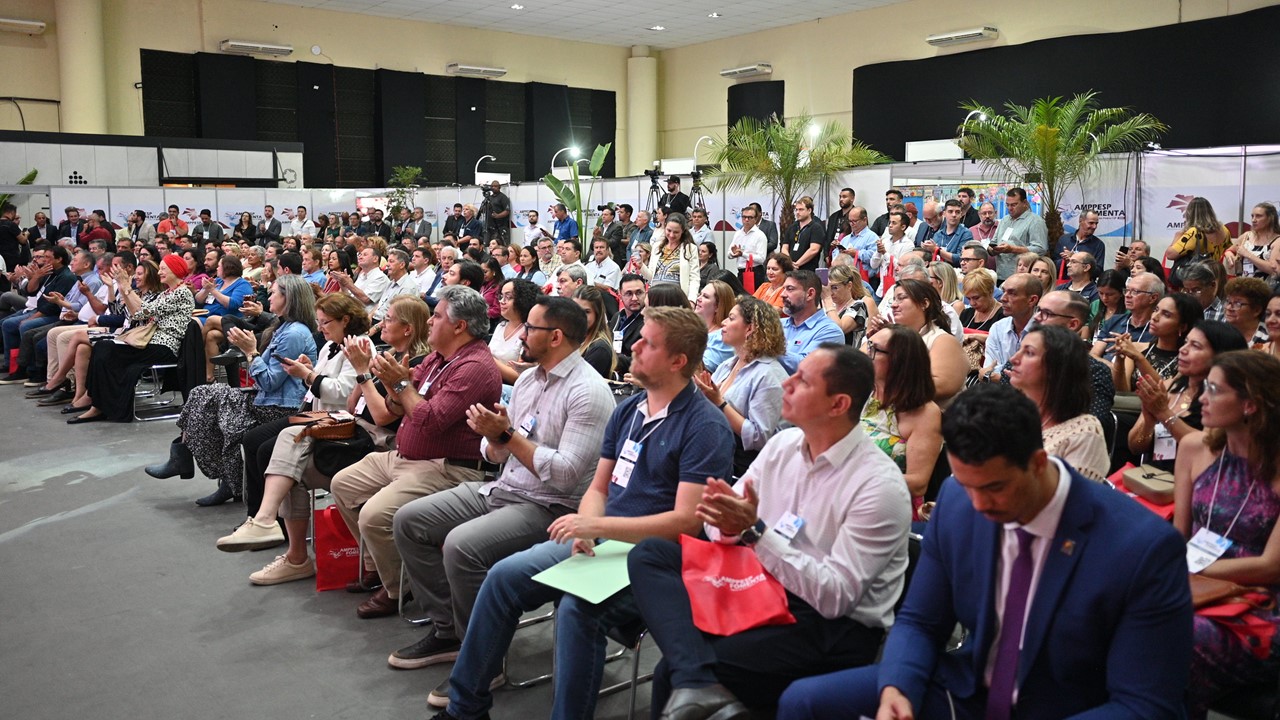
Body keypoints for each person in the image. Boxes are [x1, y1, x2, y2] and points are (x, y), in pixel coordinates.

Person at [778, 382, 1194, 720]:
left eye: (994, 487)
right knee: (805, 702)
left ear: (1038, 463)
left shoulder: (1142, 547)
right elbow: (921, 621)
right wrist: (898, 689)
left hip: (1066, 708)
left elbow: (1144, 705)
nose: (978, 504)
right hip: (969, 687)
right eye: (966, 484)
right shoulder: (959, 503)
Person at [431, 305, 733, 720]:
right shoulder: (629, 410)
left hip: (659, 559)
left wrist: (595, 524)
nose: (635, 347)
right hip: (605, 541)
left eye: (648, 344)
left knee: (578, 610)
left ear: (678, 361)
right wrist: (587, 530)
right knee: (502, 578)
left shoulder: (705, 426)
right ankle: (466, 708)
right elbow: (598, 487)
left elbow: (687, 522)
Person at [630, 344, 910, 718]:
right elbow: (720, 520)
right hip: (761, 581)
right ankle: (696, 675)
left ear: (838, 404)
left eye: (802, 380)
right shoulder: (784, 445)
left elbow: (835, 598)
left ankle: (694, 675)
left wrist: (755, 533)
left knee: (670, 673)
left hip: (830, 625)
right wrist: (733, 528)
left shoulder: (878, 486)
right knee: (651, 555)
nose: (787, 383)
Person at [391, 297, 615, 709]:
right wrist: (495, 436)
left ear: (556, 336)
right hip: (503, 489)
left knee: (462, 546)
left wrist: (508, 437)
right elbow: (493, 452)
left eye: (529, 328)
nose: (520, 335)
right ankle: (451, 632)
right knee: (409, 521)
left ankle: (484, 659)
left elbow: (565, 475)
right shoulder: (529, 381)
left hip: (550, 506)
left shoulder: (590, 392)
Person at [329, 286, 502, 618]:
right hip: (405, 457)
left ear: (459, 326)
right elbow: (395, 410)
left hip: (446, 467)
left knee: (374, 515)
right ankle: (377, 568)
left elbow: (430, 420)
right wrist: (395, 386)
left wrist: (398, 386)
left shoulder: (474, 367)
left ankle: (398, 588)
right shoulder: (437, 358)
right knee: (343, 484)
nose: (430, 323)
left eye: (436, 316)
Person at [212, 292, 367, 564]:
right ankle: (257, 517)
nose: (320, 328)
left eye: (325, 322)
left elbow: (343, 392)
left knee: (268, 450)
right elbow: (319, 382)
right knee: (252, 439)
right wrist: (308, 371)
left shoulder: (358, 346)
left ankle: (273, 522)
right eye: (318, 321)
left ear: (346, 320)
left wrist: (307, 374)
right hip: (314, 412)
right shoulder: (330, 345)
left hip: (335, 419)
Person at [147, 275, 318, 506]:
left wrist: (251, 352)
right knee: (202, 394)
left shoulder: (294, 334)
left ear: (289, 299)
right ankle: (188, 456)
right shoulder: (284, 326)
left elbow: (269, 382)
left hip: (279, 406)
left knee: (220, 413)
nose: (269, 296)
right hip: (267, 400)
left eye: (275, 292)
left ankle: (209, 469)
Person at [1174, 351, 1280, 719]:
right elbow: (1179, 535)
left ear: (1250, 404)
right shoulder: (1194, 448)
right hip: (1193, 584)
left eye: (1214, 390)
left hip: (1262, 605)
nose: (1201, 398)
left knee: (1180, 634)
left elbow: (1271, 567)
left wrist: (1185, 570)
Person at [68, 255, 195, 424]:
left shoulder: (182, 292)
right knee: (103, 348)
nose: (160, 272)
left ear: (175, 270)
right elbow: (137, 313)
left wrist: (126, 287)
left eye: (163, 268)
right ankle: (98, 403)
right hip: (150, 342)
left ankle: (97, 404)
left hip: (164, 346)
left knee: (104, 348)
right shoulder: (167, 292)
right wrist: (124, 288)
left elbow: (146, 310)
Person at [1128, 321, 1248, 470]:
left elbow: (1208, 448)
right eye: (1185, 343)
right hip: (1151, 478)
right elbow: (1135, 447)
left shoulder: (1225, 400)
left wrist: (1163, 413)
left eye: (1195, 346)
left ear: (1221, 356)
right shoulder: (1167, 386)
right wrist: (1148, 421)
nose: (1183, 350)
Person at [692, 295, 788, 477]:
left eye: (731, 318)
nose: (723, 323)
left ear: (750, 328)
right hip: (721, 452)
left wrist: (719, 403)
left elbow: (758, 438)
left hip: (747, 469)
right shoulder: (728, 365)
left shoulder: (768, 375)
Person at [1006, 325, 1110, 481]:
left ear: (1056, 367)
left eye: (1029, 353)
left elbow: (1074, 500)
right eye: (1019, 349)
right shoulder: (1011, 413)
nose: (1013, 359)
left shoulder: (1084, 432)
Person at [861, 324, 942, 513]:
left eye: (874, 349)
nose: (865, 353)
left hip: (887, 506)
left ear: (899, 361)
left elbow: (918, 483)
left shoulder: (925, 413)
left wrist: (856, 476)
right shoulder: (861, 390)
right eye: (868, 345)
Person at [873, 277, 968, 405]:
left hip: (933, 418)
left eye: (901, 298)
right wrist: (878, 344)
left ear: (924, 304)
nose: (894, 305)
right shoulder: (892, 335)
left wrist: (884, 385)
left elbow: (942, 387)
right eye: (894, 299)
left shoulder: (943, 340)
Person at [1110, 292, 1202, 393]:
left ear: (1182, 327)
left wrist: (1139, 358)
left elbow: (1167, 394)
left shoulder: (1186, 360)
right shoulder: (1137, 348)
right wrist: (1119, 359)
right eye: (1156, 310)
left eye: (1166, 314)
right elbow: (1122, 392)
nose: (1154, 317)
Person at [779, 270, 844, 374]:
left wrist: (769, 348)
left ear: (810, 294)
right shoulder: (778, 324)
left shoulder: (830, 331)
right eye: (783, 289)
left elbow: (807, 366)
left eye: (790, 289)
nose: (782, 295)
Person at [1091, 270, 1162, 363]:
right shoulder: (1114, 320)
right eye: (1127, 290)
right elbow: (1093, 355)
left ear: (1153, 298)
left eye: (1135, 292)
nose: (1127, 295)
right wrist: (1112, 368)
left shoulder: (1158, 330)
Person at [991, 187, 1049, 282]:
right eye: (1007, 205)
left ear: (1025, 203)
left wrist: (1013, 249)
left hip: (1022, 278)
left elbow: (1041, 249)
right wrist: (992, 249)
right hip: (1000, 274)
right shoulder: (1004, 220)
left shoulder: (1035, 221)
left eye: (1014, 205)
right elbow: (994, 241)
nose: (1010, 208)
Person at [489, 278, 539, 386]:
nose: (502, 301)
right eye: (501, 296)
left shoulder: (529, 332)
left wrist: (487, 358)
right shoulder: (501, 326)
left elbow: (518, 377)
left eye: (508, 297)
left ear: (522, 300)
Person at [645, 212, 700, 301]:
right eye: (669, 230)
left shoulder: (690, 248)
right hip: (655, 296)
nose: (671, 235)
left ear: (683, 231)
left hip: (677, 298)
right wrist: (641, 266)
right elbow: (651, 276)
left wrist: (692, 300)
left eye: (676, 232)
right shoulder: (657, 246)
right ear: (665, 227)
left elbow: (694, 278)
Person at [1164, 196, 1232, 267]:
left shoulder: (1194, 232)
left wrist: (1177, 236)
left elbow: (1170, 255)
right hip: (1216, 272)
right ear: (1210, 211)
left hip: (1198, 274)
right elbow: (1230, 249)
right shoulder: (1224, 229)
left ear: (1190, 214)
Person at [1224, 203, 1280, 279]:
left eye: (1259, 216)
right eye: (1252, 216)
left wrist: (1247, 254)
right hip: (1244, 285)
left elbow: (1274, 270)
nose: (1253, 220)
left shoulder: (1277, 241)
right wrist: (1229, 255)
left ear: (1270, 218)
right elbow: (1229, 250)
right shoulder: (1247, 236)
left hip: (1265, 288)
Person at [825, 263, 876, 347]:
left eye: (835, 287)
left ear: (849, 286)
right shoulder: (828, 306)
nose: (830, 293)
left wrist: (827, 299)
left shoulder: (858, 306)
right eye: (828, 288)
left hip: (848, 357)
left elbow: (838, 330)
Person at [571, 285, 615, 379]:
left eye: (586, 312)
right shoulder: (572, 339)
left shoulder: (599, 348)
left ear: (597, 314)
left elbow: (578, 383)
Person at [694, 280, 735, 371]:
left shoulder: (723, 336)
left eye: (705, 296)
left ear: (717, 306)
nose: (698, 299)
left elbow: (705, 369)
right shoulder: (693, 328)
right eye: (699, 294)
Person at [1052, 210, 1105, 277]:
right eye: (1091, 223)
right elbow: (1053, 266)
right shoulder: (1064, 239)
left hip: (1085, 285)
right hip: (1063, 284)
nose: (1094, 227)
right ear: (1080, 221)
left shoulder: (1098, 245)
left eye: (1096, 223)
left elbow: (1098, 272)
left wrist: (1075, 258)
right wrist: (1065, 261)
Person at [1223, 276, 1271, 347]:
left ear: (1256, 310)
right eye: (1228, 301)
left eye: (1237, 303)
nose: (1229, 307)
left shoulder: (1268, 339)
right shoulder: (1221, 333)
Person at [729, 206, 769, 288]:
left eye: (750, 217)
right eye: (744, 217)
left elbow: (761, 259)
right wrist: (733, 254)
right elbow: (729, 254)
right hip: (741, 272)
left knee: (752, 299)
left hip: (755, 272)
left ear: (755, 219)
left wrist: (743, 254)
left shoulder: (760, 235)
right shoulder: (738, 234)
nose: (746, 220)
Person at [958, 269, 1003, 334]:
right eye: (968, 298)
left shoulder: (1003, 316)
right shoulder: (966, 314)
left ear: (990, 292)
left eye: (976, 298)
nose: (972, 303)